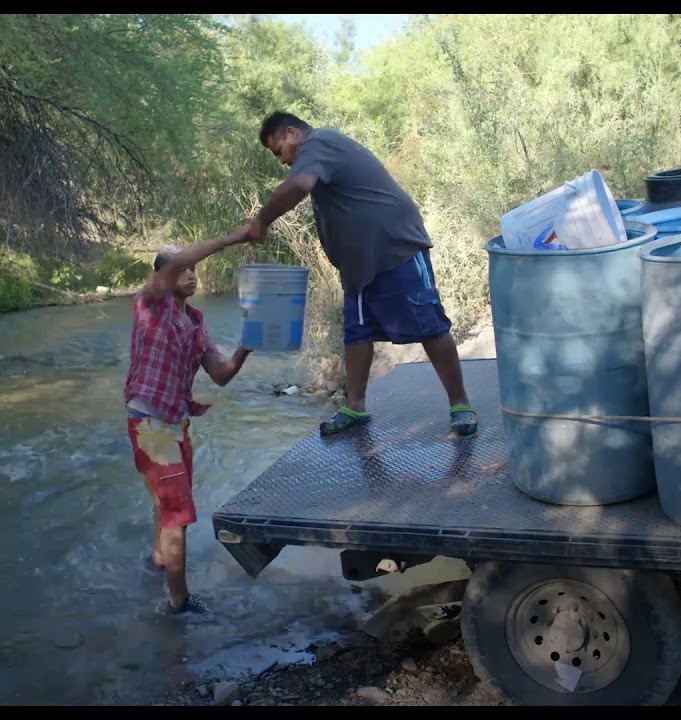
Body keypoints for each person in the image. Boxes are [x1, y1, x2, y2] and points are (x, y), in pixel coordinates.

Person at [246, 111, 477, 438]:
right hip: (358, 265)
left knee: (430, 325)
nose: (282, 161)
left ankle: (460, 404)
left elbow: (298, 185)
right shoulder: (317, 153)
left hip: (396, 248)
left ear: (293, 133)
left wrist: (261, 221)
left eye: (278, 151)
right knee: (357, 334)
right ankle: (355, 406)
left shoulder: (319, 142)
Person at [125, 226, 256, 616]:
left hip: (176, 424)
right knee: (177, 514)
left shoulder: (196, 323)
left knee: (166, 506)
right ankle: (178, 603)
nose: (190, 274)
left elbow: (221, 373)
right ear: (164, 277)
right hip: (150, 423)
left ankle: (158, 563)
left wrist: (247, 345)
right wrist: (235, 237)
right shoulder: (150, 303)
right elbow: (180, 260)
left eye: (193, 270)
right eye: (182, 269)